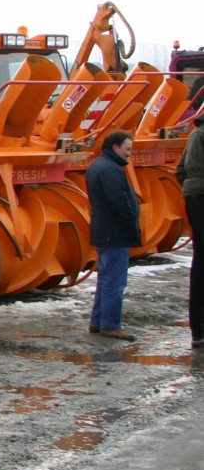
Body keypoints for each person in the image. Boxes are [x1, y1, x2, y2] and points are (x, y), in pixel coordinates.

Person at [86, 130, 141, 341]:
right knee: (114, 282)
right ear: (116, 147)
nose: (129, 154)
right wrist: (131, 221)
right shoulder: (110, 170)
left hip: (105, 230)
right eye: (127, 149)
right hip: (114, 232)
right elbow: (118, 201)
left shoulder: (101, 166)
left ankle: (98, 321)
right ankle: (110, 325)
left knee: (106, 278)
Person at [179, 113, 204, 349]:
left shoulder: (196, 135)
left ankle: (198, 331)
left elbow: (180, 171)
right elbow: (186, 171)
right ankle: (198, 330)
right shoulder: (199, 135)